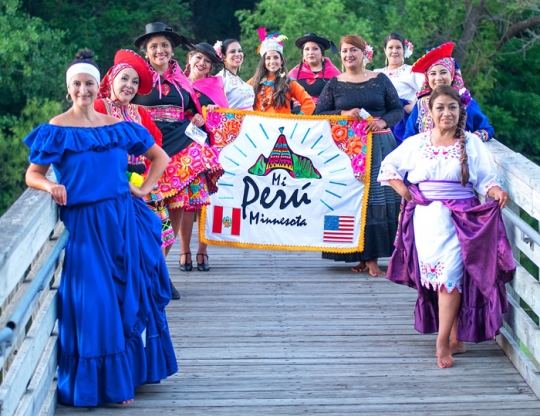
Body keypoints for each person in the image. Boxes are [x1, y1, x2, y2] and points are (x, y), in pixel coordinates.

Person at [24, 50, 177, 406]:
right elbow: (33, 174)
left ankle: (128, 376)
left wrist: (143, 188)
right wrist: (50, 186)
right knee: (96, 302)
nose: (83, 90)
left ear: (99, 86)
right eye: (76, 84)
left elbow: (160, 157)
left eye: (89, 83)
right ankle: (103, 384)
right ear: (68, 88)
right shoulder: (56, 128)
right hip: (83, 226)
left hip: (122, 219)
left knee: (127, 296)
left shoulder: (117, 126)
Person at [378, 85, 515, 369]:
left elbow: (487, 180)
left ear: (460, 111)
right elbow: (388, 168)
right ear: (430, 112)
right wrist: (405, 192)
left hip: (460, 220)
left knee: (450, 279)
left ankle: (442, 341)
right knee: (436, 279)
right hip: (426, 220)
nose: (446, 113)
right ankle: (456, 335)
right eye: (440, 107)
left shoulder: (471, 143)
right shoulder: (417, 143)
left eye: (452, 107)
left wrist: (496, 192)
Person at [132, 22, 223, 274]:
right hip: (148, 146)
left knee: (176, 208)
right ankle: (148, 270)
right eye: (154, 46)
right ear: (146, 51)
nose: (160, 50)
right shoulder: (136, 76)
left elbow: (191, 107)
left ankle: (159, 270)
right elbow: (119, 100)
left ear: (172, 49)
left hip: (180, 144)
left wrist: (198, 116)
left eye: (165, 45)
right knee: (150, 212)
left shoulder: (181, 79)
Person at [314, 34, 403, 277]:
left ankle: (372, 256)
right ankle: (359, 254)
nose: (349, 55)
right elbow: (318, 114)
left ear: (365, 53)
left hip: (379, 144)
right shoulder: (334, 83)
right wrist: (343, 112)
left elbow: (397, 109)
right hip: (347, 149)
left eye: (354, 50)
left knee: (377, 196)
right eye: (344, 51)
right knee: (351, 197)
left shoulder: (380, 79)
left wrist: (383, 120)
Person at [95, 49, 175, 253]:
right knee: (127, 237)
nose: (129, 85)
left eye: (135, 82)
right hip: (112, 181)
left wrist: (146, 167)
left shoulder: (138, 111)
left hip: (140, 178)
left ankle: (155, 277)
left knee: (164, 232)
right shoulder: (98, 106)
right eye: (124, 79)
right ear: (112, 78)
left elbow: (156, 139)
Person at [183, 42, 229, 271]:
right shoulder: (175, 84)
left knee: (203, 201)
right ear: (190, 58)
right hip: (179, 146)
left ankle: (203, 250)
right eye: (199, 58)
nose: (202, 64)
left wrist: (206, 119)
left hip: (204, 147)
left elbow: (223, 117)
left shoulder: (214, 86)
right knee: (183, 202)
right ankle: (184, 251)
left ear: (211, 67)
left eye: (207, 61)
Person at [403, 42, 494, 142]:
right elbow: (409, 135)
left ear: (452, 75)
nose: (438, 78)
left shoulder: (466, 103)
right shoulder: (421, 105)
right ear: (427, 78)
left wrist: (468, 140)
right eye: (433, 74)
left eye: (443, 72)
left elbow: (486, 130)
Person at [249, 29, 315, 115]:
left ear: (281, 61)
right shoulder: (254, 82)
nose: (272, 61)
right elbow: (239, 98)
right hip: (259, 126)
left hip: (282, 127)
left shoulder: (289, 83)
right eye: (268, 58)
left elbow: (309, 103)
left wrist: (298, 120)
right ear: (263, 62)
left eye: (276, 57)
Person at [374, 33, 423, 144]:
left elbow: (427, 87)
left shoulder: (411, 71)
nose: (394, 51)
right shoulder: (377, 73)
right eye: (390, 47)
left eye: (398, 47)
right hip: (380, 117)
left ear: (404, 50)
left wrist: (412, 106)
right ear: (385, 50)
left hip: (402, 120)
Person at [288, 33, 341, 113]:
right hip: (298, 118)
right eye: (307, 49)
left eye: (315, 49)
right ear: (302, 53)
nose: (310, 52)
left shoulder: (334, 74)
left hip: (324, 118)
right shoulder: (293, 74)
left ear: (322, 52)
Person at [214, 39, 255, 110]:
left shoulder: (237, 79)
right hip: (234, 120)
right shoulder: (220, 79)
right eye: (232, 51)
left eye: (240, 51)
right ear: (224, 56)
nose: (237, 54)